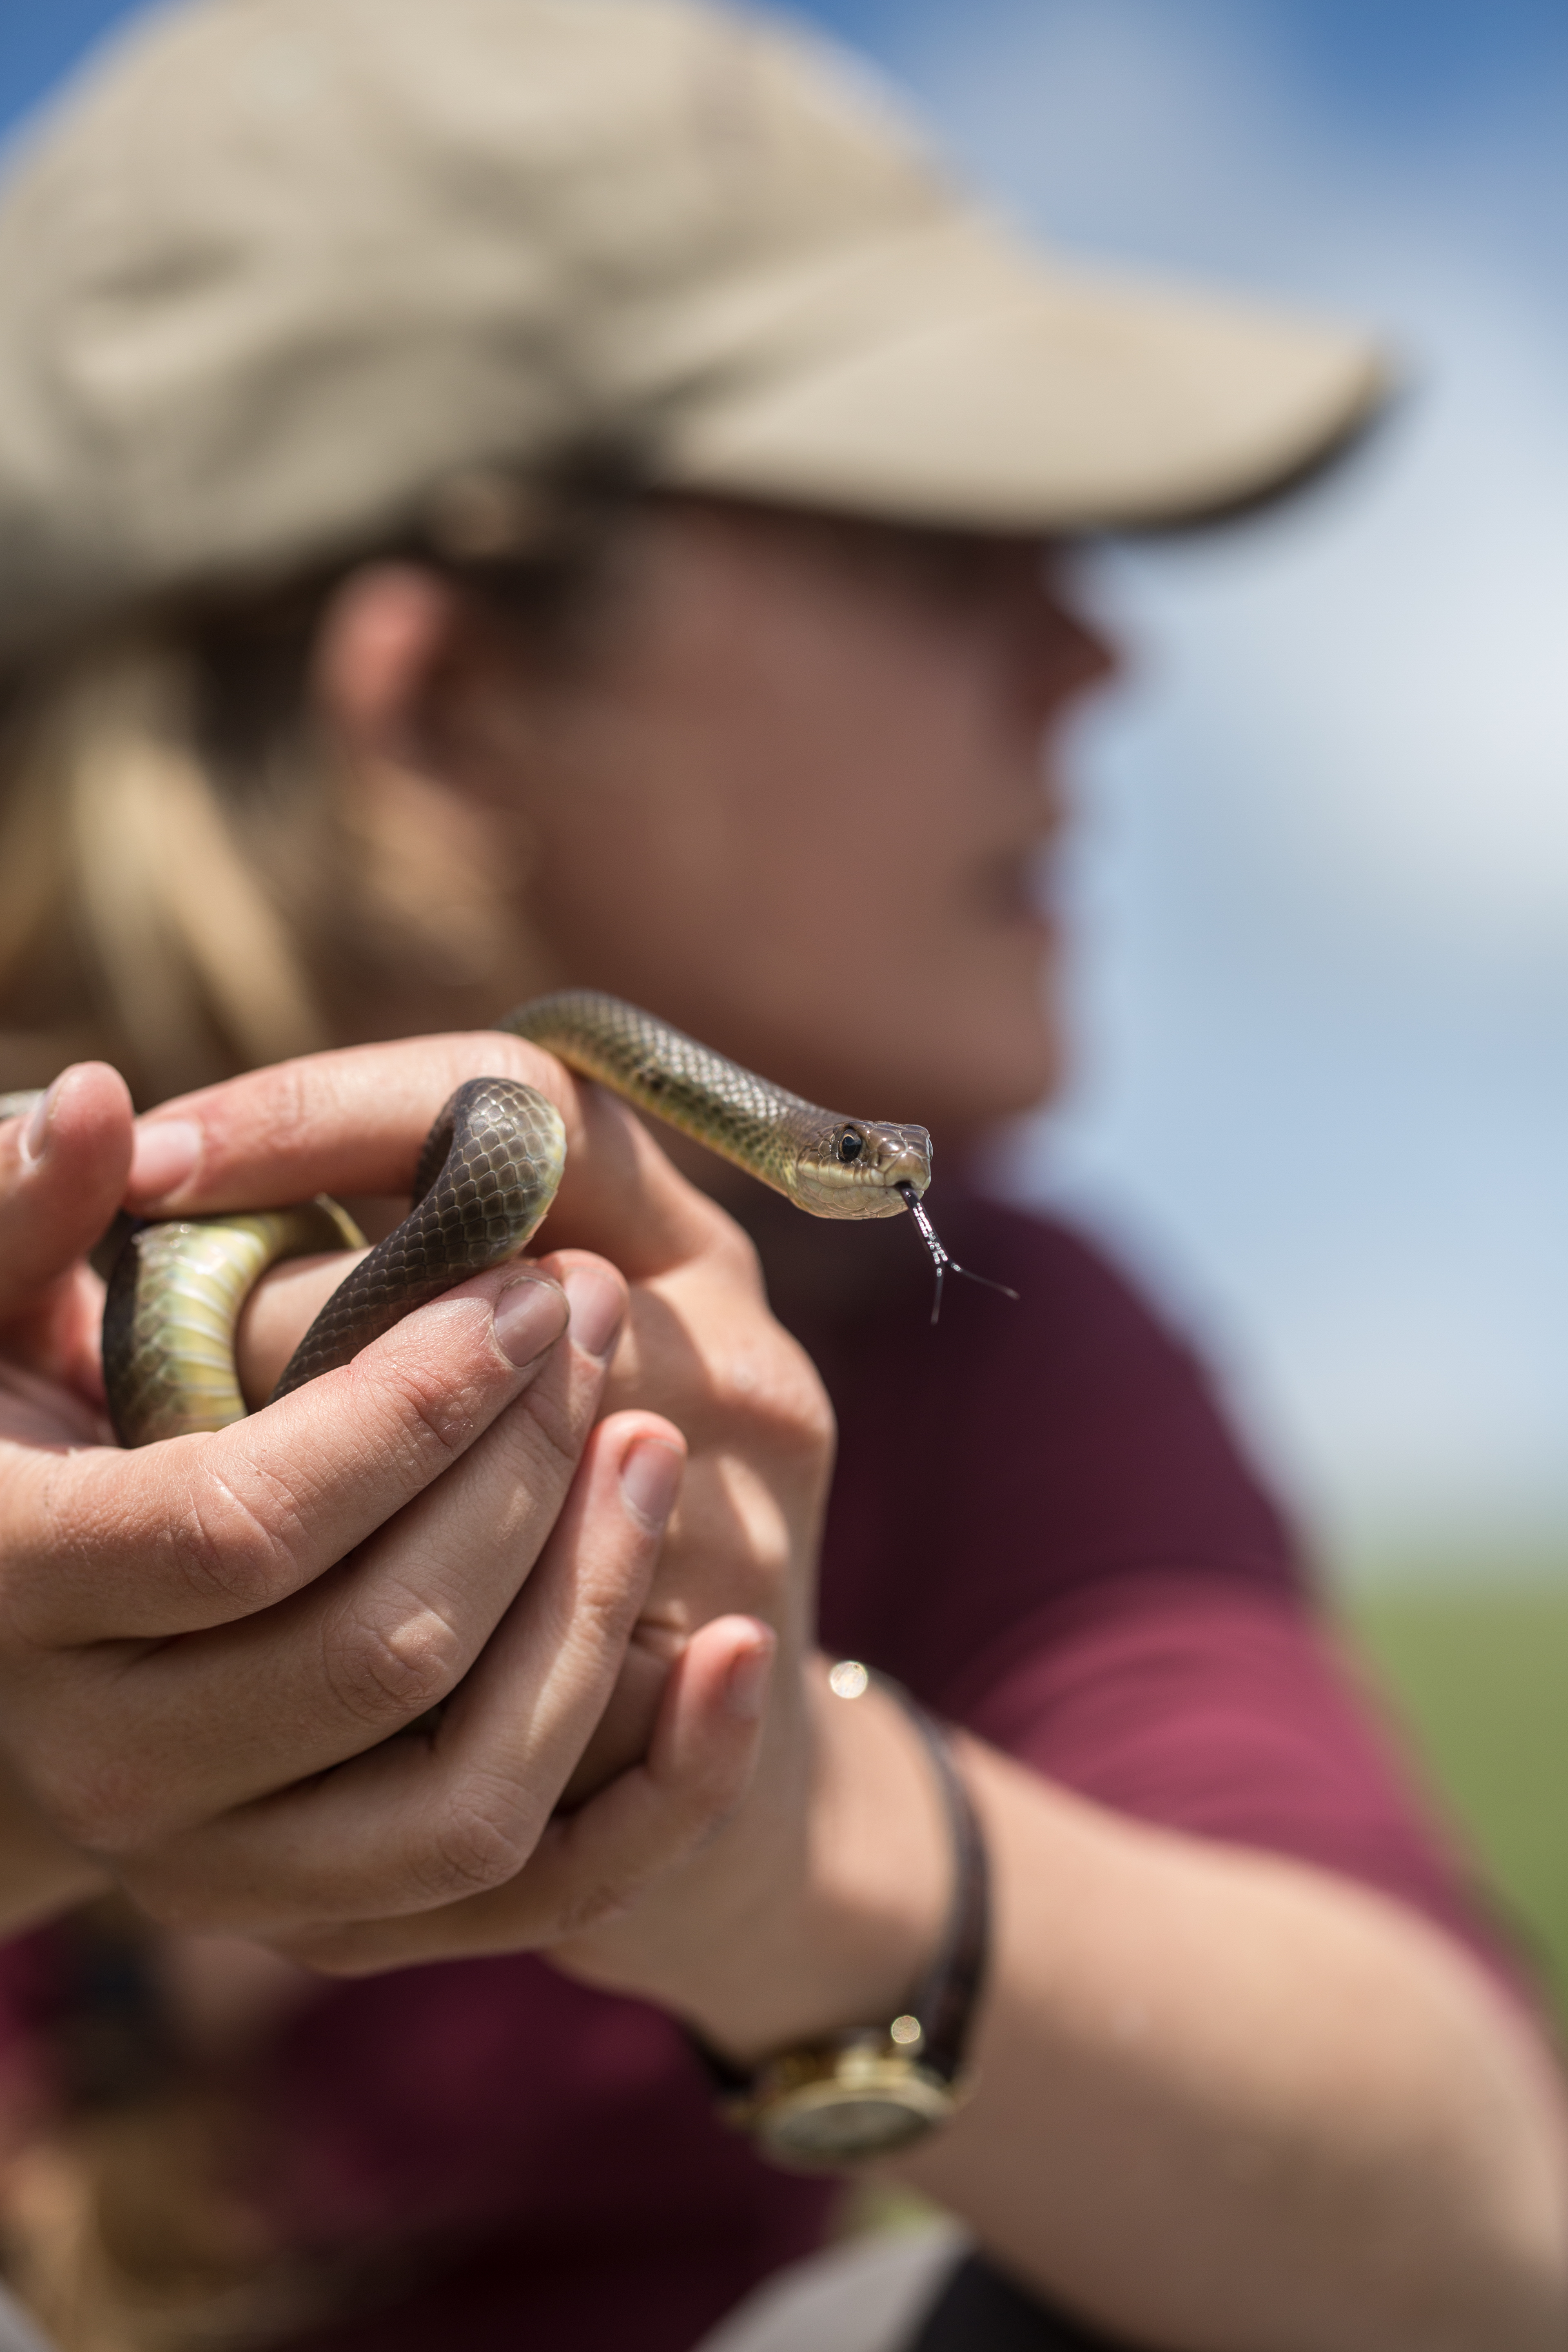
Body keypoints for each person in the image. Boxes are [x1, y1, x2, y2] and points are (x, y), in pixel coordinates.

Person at [0, 2, 1563, 2348]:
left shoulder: (977, 1344)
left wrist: (767, 1835)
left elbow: (1489, 2224)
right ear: (443, 706)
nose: (1096, 660)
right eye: (949, 554)